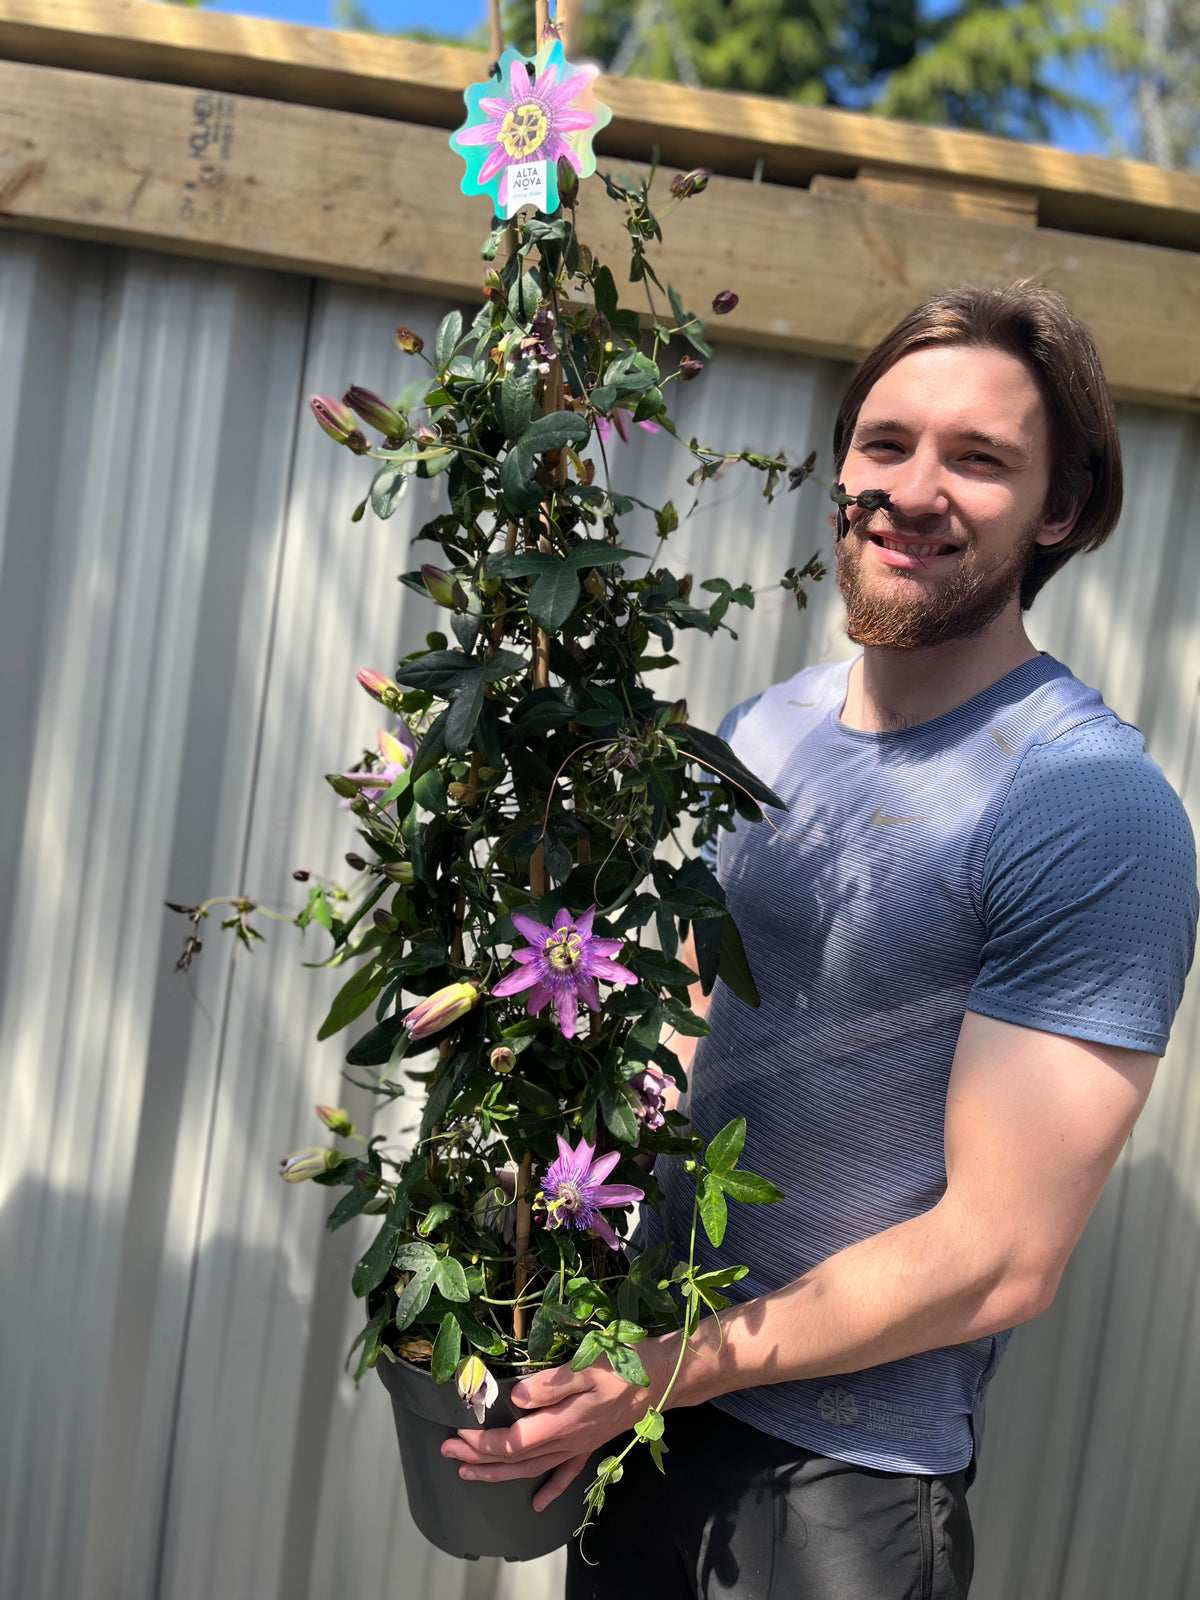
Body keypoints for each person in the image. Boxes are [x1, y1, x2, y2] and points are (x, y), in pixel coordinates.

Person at [440, 284, 1198, 1598]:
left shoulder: (1089, 804)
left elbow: (1000, 1257)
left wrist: (658, 1371)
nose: (912, 488)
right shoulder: (766, 732)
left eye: (979, 459)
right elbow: (694, 1013)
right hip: (650, 1418)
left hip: (836, 1489)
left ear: (1060, 511)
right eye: (886, 442)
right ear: (841, 460)